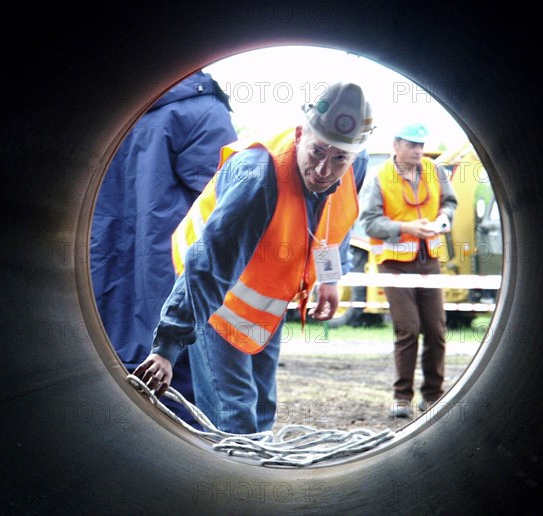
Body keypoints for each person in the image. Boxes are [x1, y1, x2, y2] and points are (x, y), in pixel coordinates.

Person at [132, 82, 374, 434]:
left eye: (339, 158)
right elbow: (208, 265)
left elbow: (333, 224)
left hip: (266, 295)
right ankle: (235, 485)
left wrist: (330, 278)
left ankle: (257, 471)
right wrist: (167, 347)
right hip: (217, 295)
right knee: (234, 411)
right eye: (317, 151)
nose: (324, 169)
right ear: (300, 133)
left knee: (262, 405)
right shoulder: (259, 177)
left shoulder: (355, 163)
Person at [90, 70, 238, 422]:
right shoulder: (204, 111)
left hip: (100, 275)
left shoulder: (109, 116)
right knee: (178, 397)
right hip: (168, 282)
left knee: (112, 383)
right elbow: (228, 207)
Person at [359, 122, 458, 418]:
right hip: (394, 265)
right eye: (412, 145)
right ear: (396, 145)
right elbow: (370, 223)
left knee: (436, 330)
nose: (418, 150)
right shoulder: (380, 177)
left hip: (429, 261)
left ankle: (433, 396)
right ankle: (402, 397)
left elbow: (450, 203)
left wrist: (443, 220)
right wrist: (406, 228)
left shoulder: (435, 171)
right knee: (408, 329)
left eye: (420, 145)